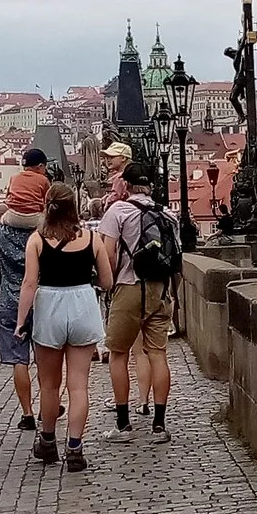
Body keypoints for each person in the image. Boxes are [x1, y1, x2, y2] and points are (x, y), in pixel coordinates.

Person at [19, 192, 108, 471]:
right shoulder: (92, 239)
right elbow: (107, 281)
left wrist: (21, 321)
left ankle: (47, 440)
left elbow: (29, 284)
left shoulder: (36, 239)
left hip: (50, 306)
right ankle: (75, 447)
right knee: (78, 385)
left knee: (49, 384)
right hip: (82, 303)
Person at [96, 159, 177, 443]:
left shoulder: (117, 210)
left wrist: (107, 284)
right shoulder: (168, 214)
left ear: (127, 186)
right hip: (161, 290)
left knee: (118, 354)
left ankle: (123, 424)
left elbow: (108, 255)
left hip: (129, 287)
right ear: (151, 186)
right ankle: (159, 424)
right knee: (157, 354)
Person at [0, 184, 39, 434]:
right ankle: (54, 402)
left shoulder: (0, 233)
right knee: (48, 358)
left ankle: (27, 412)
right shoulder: (41, 233)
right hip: (40, 299)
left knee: (19, 360)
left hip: (9, 301)